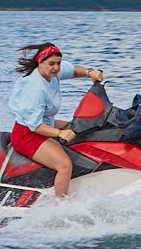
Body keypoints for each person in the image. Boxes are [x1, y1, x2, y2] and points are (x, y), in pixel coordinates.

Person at [8, 42, 104, 199]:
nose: (56, 67)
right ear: (40, 62)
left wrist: (90, 73)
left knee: (78, 127)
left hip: (45, 123)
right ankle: (60, 206)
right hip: (28, 134)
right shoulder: (36, 88)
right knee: (64, 165)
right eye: (51, 64)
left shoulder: (52, 73)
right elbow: (35, 126)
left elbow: (72, 70)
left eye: (58, 63)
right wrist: (60, 133)